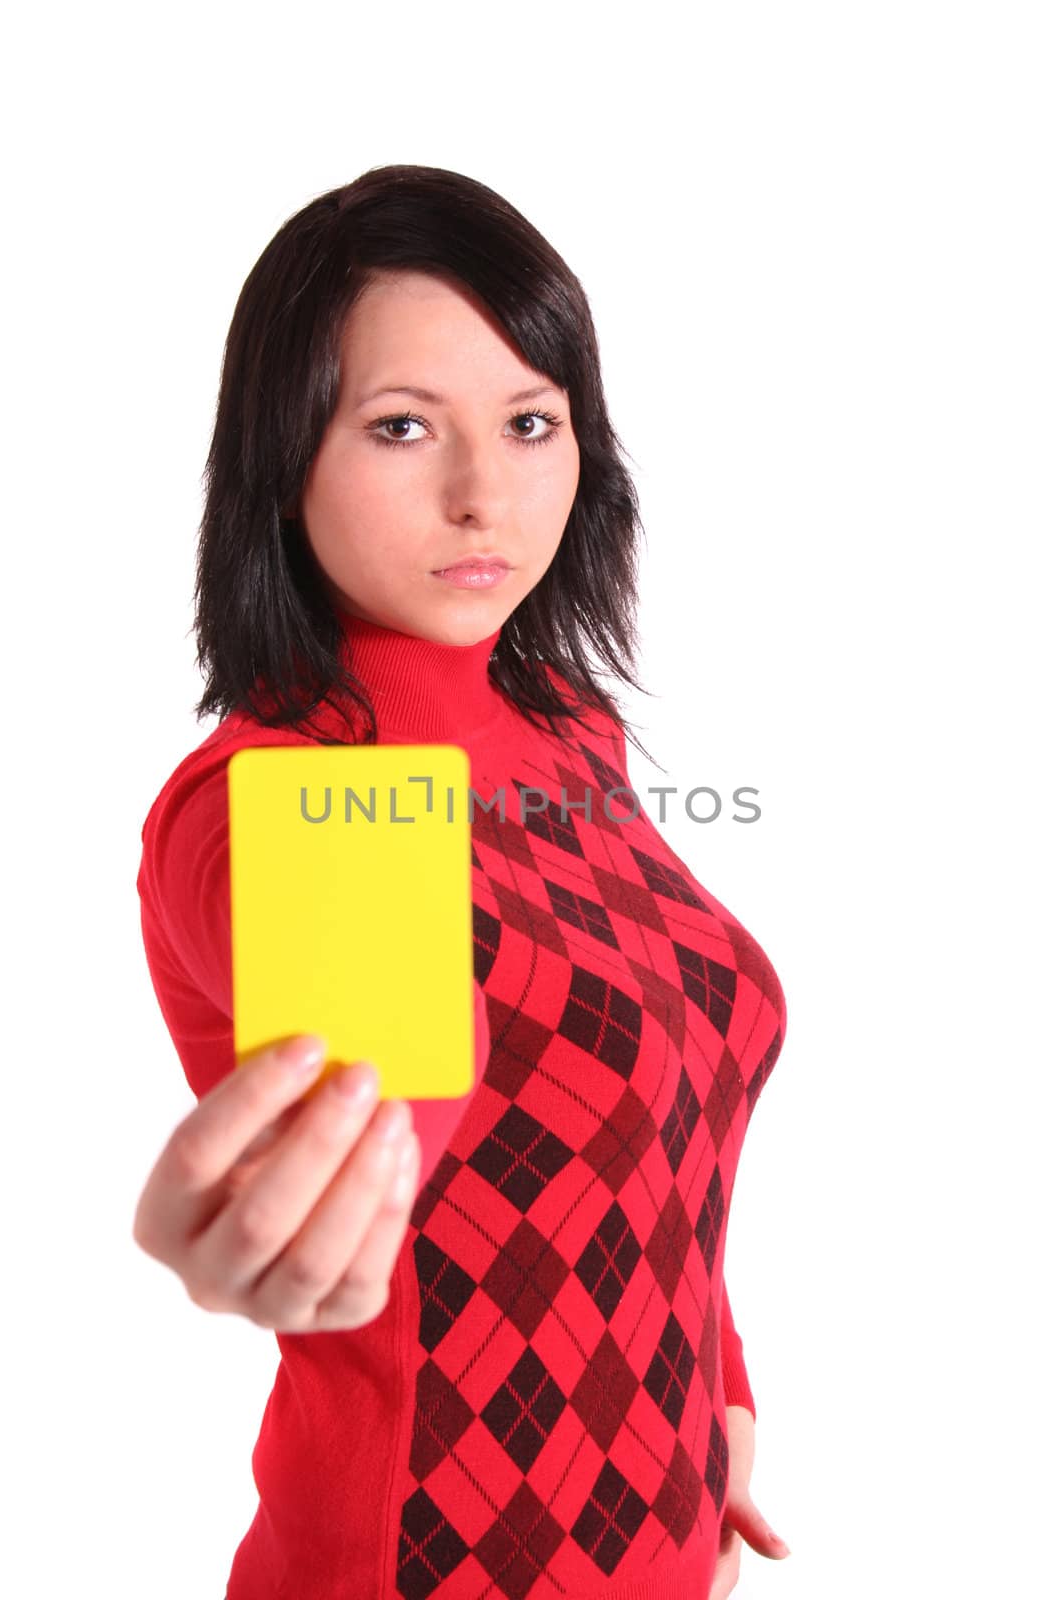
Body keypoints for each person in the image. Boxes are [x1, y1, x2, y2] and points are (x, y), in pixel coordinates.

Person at [133, 163, 792, 1600]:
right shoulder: (315, 784)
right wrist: (284, 1235)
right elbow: (387, 1141)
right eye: (403, 425)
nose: (483, 490)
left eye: (530, 421)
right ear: (282, 454)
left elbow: (652, 1096)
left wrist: (717, 1393)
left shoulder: (566, 731)